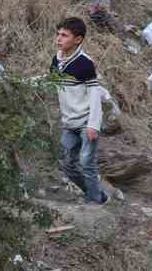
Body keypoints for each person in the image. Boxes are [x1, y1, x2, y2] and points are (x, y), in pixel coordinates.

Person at [51, 16, 108, 205]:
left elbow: (94, 95)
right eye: (58, 34)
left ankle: (94, 200)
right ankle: (95, 194)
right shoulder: (57, 60)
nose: (59, 38)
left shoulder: (85, 63)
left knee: (86, 163)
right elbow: (49, 81)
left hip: (86, 123)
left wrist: (94, 125)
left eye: (64, 35)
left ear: (78, 39)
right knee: (67, 164)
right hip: (69, 123)